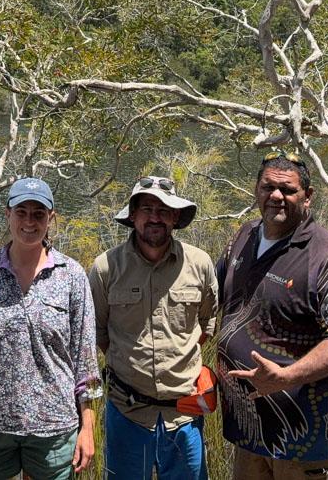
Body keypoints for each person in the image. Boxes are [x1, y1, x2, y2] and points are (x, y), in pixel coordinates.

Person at [217, 151, 328, 480]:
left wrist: (289, 376)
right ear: (256, 190)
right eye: (268, 187)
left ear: (308, 196)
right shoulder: (244, 237)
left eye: (288, 190)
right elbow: (215, 299)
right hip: (250, 432)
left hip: (308, 440)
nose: (276, 196)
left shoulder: (327, 256)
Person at [0, 177, 100, 479]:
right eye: (21, 212)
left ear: (50, 218)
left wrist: (87, 428)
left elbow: (86, 361)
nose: (29, 221)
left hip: (55, 427)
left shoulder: (72, 276)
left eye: (38, 213)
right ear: (7, 215)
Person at [87, 175, 218, 480]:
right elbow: (99, 332)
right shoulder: (107, 267)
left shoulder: (199, 263)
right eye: (147, 209)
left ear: (175, 217)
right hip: (127, 413)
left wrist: (179, 364)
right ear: (133, 216)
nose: (155, 217)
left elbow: (206, 325)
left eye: (164, 210)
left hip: (185, 414)